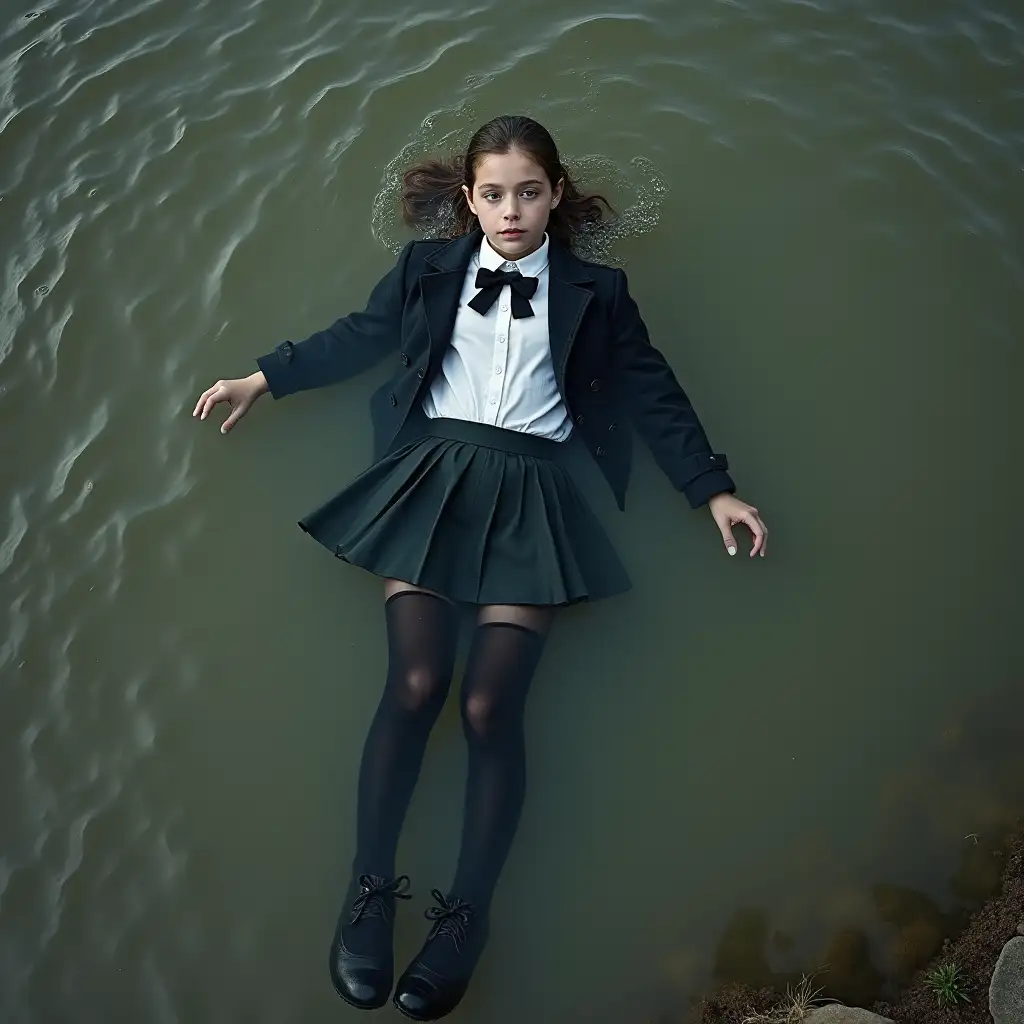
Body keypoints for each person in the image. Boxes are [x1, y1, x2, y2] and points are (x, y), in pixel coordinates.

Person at [192, 114, 768, 1021]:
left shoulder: (599, 292)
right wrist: (264, 378)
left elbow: (655, 391)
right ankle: (370, 890)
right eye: (494, 195)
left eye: (529, 193)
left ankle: (467, 917)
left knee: (489, 704)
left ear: (558, 195)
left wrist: (712, 491)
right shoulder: (428, 270)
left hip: (533, 494)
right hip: (432, 476)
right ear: (468, 199)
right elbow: (360, 335)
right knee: (418, 681)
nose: (511, 212)